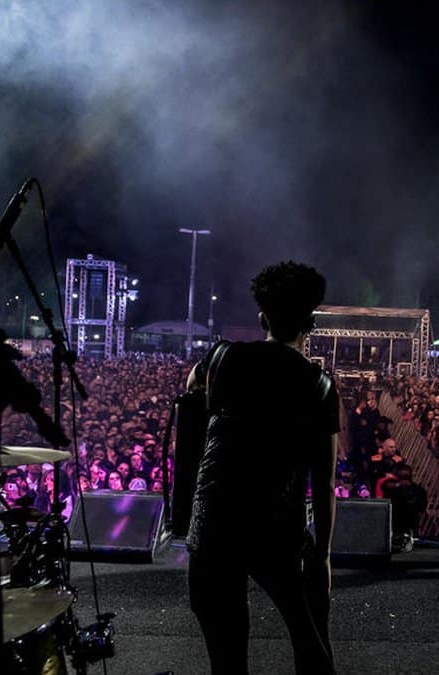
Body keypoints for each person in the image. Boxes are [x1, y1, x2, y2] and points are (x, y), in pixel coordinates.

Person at [185, 261, 338, 674]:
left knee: (227, 660)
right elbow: (323, 483)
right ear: (310, 321)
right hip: (275, 531)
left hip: (213, 527)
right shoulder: (319, 385)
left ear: (261, 317)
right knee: (311, 644)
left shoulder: (222, 359)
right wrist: (322, 556)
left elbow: (192, 384)